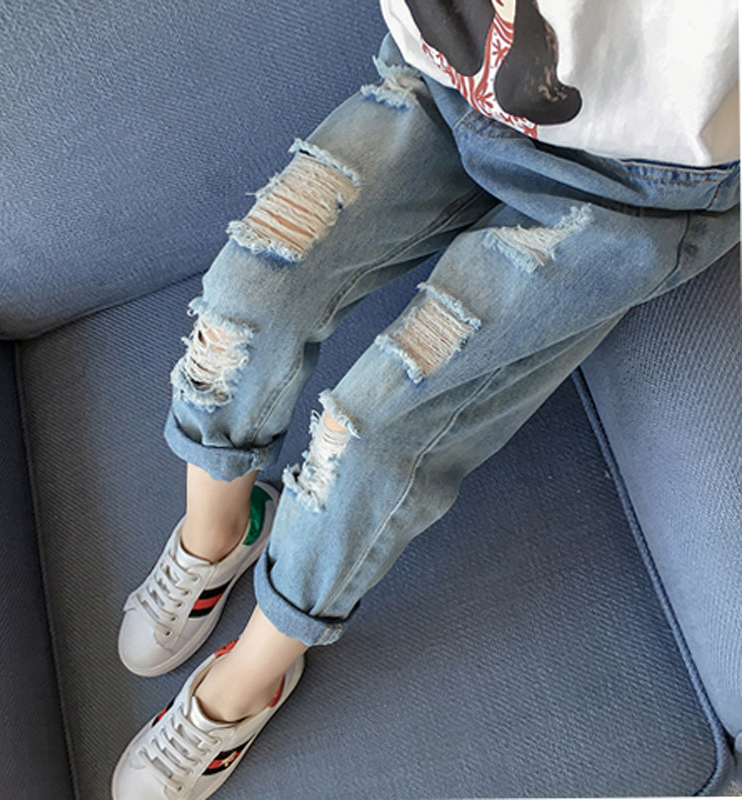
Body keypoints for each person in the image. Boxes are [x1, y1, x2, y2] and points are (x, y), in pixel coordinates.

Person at [111, 1, 740, 797]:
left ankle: (252, 676)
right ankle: (218, 534)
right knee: (247, 294)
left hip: (632, 184)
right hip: (447, 82)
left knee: (368, 438)